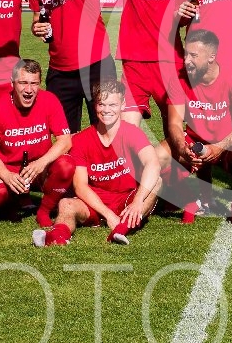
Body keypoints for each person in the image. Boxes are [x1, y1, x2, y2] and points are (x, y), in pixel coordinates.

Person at [6, 0, 114, 130]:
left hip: (96, 65)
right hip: (60, 70)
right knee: (64, 133)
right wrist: (37, 28)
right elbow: (37, 19)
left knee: (104, 129)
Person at [34, 80, 162, 247]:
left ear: (123, 105)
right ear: (95, 106)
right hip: (95, 202)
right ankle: (56, 237)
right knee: (66, 204)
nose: (106, 110)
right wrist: (108, 214)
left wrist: (137, 201)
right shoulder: (81, 140)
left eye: (112, 105)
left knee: (156, 183)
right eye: (101, 104)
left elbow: (153, 164)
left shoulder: (132, 133)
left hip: (126, 199)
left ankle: (122, 229)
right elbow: (80, 186)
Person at [162, 29, 232, 222]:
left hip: (230, 141)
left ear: (211, 57)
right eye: (186, 54)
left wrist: (219, 147)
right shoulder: (179, 79)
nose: (186, 60)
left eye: (193, 55)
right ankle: (189, 199)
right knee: (157, 157)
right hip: (196, 140)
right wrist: (182, 148)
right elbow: (174, 123)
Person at [0, 59, 75, 224]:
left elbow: (65, 141)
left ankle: (44, 210)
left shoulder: (50, 100)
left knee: (66, 165)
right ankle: (13, 202)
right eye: (23, 83)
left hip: (39, 168)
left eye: (34, 83)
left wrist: (41, 163)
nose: (29, 90)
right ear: (12, 83)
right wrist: (6, 175)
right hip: (10, 168)